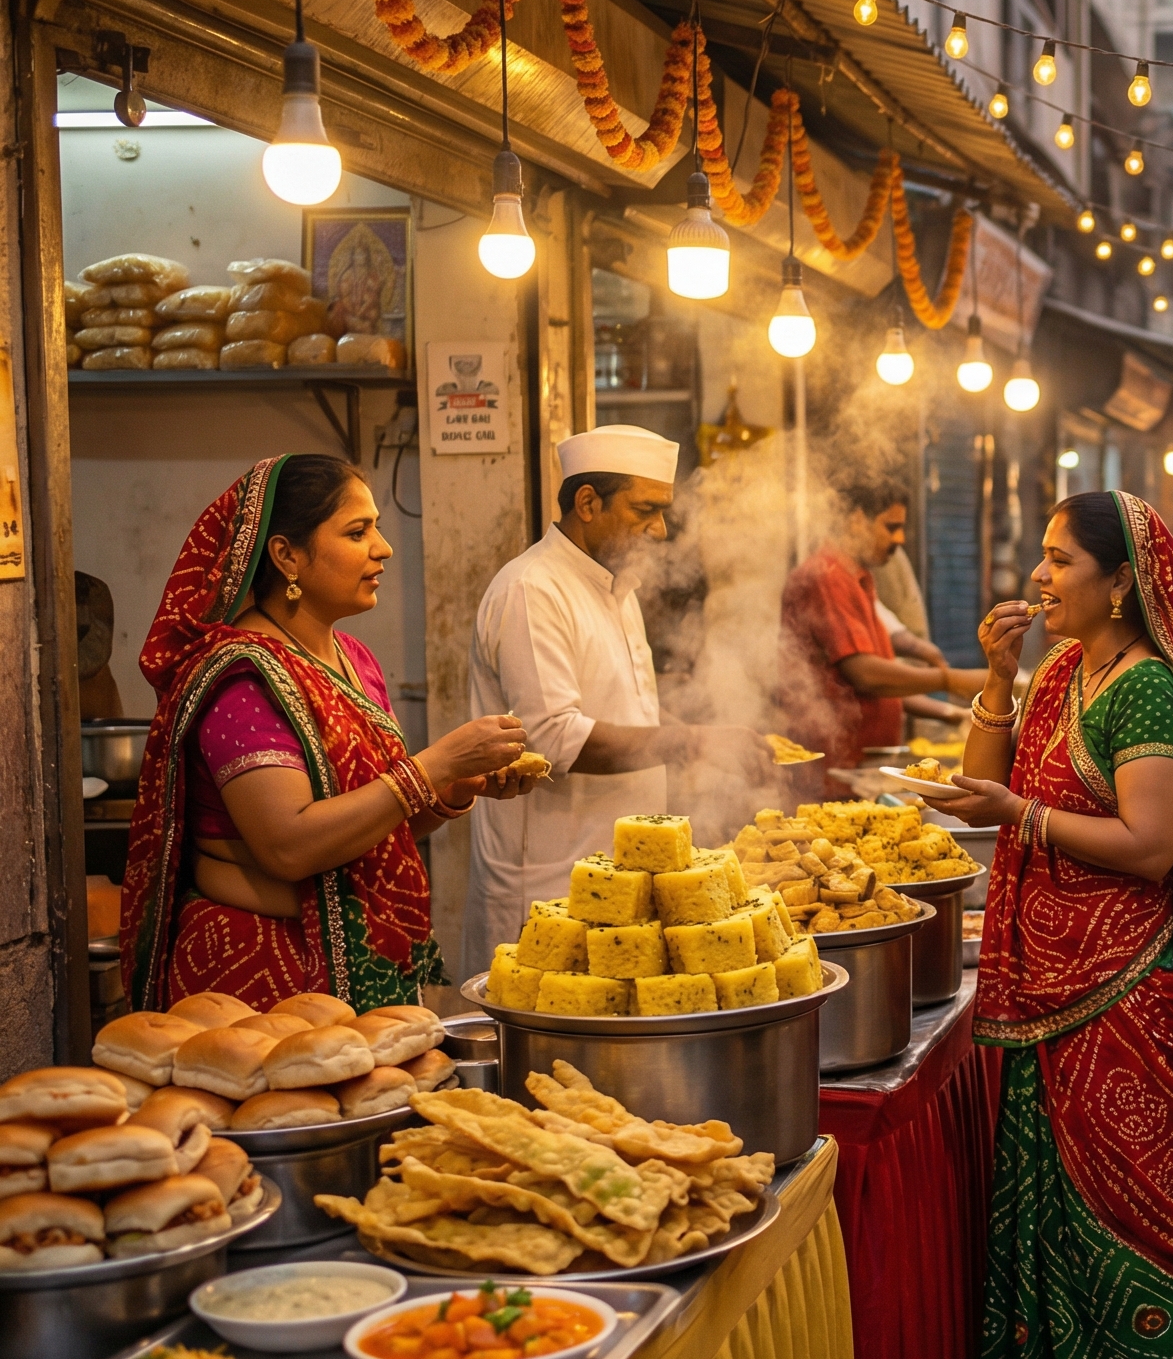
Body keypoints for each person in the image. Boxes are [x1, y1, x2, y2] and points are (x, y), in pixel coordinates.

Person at [932, 491, 1173, 1359]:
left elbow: (1150, 850)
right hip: (1050, 990)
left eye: (1062, 560)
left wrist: (1021, 813)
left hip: (1124, 998)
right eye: (1044, 557)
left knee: (1124, 1207)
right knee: (1051, 1213)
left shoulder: (1149, 690)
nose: (1040, 577)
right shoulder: (1066, 670)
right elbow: (978, 784)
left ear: (1121, 583)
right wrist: (996, 678)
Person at [126, 456, 536, 1009]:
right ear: (286, 554)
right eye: (357, 531)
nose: (383, 548)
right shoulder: (243, 677)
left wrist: (452, 789)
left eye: (378, 528)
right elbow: (289, 846)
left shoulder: (354, 660)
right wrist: (433, 766)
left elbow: (368, 830)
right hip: (259, 974)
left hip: (354, 961)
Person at [466, 426, 763, 972]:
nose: (661, 529)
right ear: (587, 502)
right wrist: (691, 742)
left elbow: (631, 714)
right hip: (550, 883)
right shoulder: (533, 589)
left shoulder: (616, 588)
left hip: (615, 880)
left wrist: (709, 733)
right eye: (645, 510)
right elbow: (556, 738)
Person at [777, 479, 985, 797]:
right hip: (833, 771)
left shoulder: (858, 579)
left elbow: (884, 688)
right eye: (891, 527)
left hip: (860, 768)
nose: (899, 539)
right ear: (856, 520)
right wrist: (950, 680)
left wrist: (952, 713)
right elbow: (866, 675)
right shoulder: (826, 577)